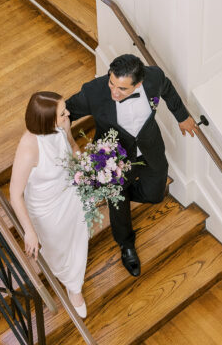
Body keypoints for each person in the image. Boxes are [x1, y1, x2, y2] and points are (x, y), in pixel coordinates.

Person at [65, 54, 199, 277]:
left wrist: (181, 116)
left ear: (139, 83)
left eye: (122, 89)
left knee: (155, 194)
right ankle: (126, 244)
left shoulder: (154, 77)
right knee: (119, 202)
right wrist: (68, 143)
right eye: (111, 83)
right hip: (113, 159)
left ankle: (120, 195)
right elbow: (65, 114)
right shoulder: (95, 91)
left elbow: (167, 89)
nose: (114, 93)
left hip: (150, 149)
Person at [9, 91, 89, 318]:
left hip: (71, 198)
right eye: (63, 112)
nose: (68, 113)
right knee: (58, 249)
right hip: (47, 210)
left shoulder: (63, 125)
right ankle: (64, 277)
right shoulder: (29, 147)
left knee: (78, 239)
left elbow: (72, 146)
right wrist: (29, 231)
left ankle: (74, 288)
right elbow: (15, 195)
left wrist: (86, 169)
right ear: (47, 120)